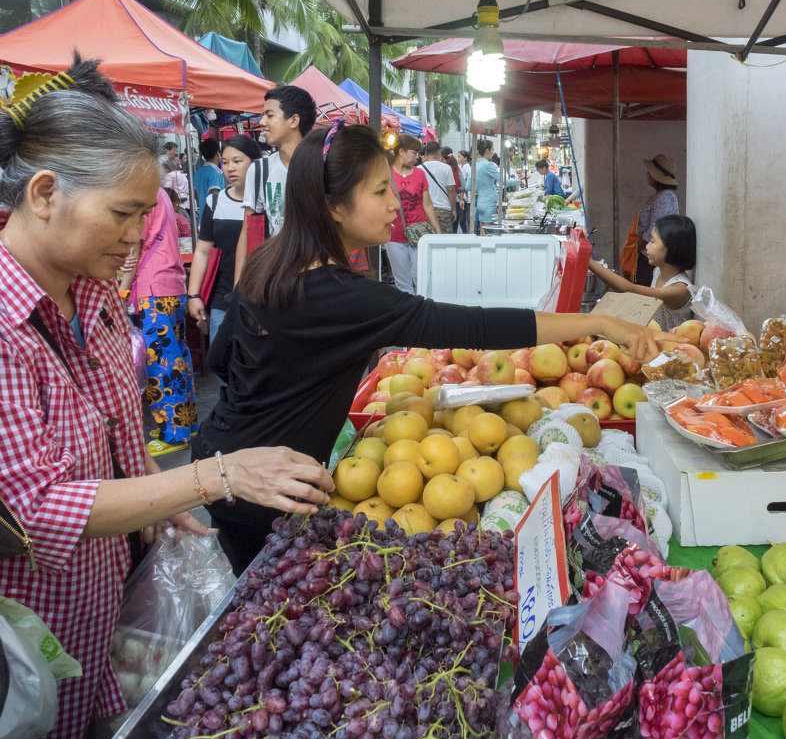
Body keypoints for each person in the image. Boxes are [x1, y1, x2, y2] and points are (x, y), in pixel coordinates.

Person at [0, 56, 333, 739]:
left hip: (100, 612)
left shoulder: (91, 296)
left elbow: (111, 435)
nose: (139, 237)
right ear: (42, 194)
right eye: (123, 214)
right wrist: (215, 474)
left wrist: (155, 488)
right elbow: (36, 507)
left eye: (146, 216)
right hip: (29, 643)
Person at [195, 121, 679, 574]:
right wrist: (597, 320)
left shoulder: (268, 263)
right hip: (268, 492)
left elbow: (220, 360)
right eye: (381, 191)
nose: (395, 205)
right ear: (332, 206)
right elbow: (475, 326)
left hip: (225, 462)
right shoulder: (344, 296)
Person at [119, 188, 198, 457]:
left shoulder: (140, 193)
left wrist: (123, 291)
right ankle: (187, 424)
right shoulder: (160, 191)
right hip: (172, 284)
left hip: (153, 287)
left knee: (161, 362)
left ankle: (173, 433)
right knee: (178, 357)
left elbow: (134, 247)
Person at [234, 84, 317, 281]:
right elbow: (248, 230)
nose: (262, 122)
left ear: (293, 120)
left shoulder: (321, 166)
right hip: (277, 276)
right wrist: (240, 285)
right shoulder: (260, 170)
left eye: (269, 115)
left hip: (318, 275)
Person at [187, 134, 262, 344]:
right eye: (226, 162)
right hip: (223, 297)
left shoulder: (268, 203)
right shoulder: (215, 201)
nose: (230, 168)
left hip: (262, 299)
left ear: (255, 164)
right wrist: (193, 295)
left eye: (237, 161)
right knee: (221, 361)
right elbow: (202, 251)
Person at [589, 215, 697, 330]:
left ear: (670, 248)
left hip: (670, 345)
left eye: (652, 241)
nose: (647, 246)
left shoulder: (680, 289)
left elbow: (627, 289)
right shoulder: (657, 271)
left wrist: (587, 261)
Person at [384, 133, 441, 294]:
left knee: (423, 277)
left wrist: (437, 231)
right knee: (402, 282)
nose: (417, 156)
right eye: (414, 153)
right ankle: (410, 315)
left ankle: (425, 311)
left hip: (419, 234)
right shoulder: (385, 173)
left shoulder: (420, 174)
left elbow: (428, 205)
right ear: (401, 152)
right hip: (394, 235)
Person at [620, 153, 681, 287]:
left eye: (650, 172)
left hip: (649, 257)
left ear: (657, 177)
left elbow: (654, 230)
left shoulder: (664, 198)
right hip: (647, 254)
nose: (647, 174)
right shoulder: (660, 196)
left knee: (643, 292)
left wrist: (637, 249)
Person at [466, 140, 517, 231]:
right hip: (490, 203)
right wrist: (518, 182)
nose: (493, 152)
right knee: (490, 233)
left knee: (483, 230)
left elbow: (468, 187)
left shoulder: (474, 165)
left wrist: (480, 187)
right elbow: (503, 181)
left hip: (480, 203)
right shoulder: (488, 165)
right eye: (492, 150)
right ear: (487, 151)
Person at [419, 140, 457, 234]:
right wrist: (454, 209)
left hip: (425, 210)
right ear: (438, 153)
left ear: (426, 153)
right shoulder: (446, 168)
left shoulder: (418, 169)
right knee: (445, 240)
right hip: (443, 209)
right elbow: (451, 190)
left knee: (427, 239)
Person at [192, 137, 226, 220]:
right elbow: (214, 197)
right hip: (214, 217)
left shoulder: (199, 172)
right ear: (218, 153)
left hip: (203, 215)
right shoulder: (214, 173)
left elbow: (195, 195)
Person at [457, 149, 472, 232]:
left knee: (464, 219)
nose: (458, 159)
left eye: (460, 157)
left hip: (466, 196)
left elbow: (466, 183)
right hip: (461, 195)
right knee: (462, 219)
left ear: (465, 158)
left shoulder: (467, 168)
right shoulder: (460, 167)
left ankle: (467, 233)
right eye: (458, 157)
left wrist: (462, 198)